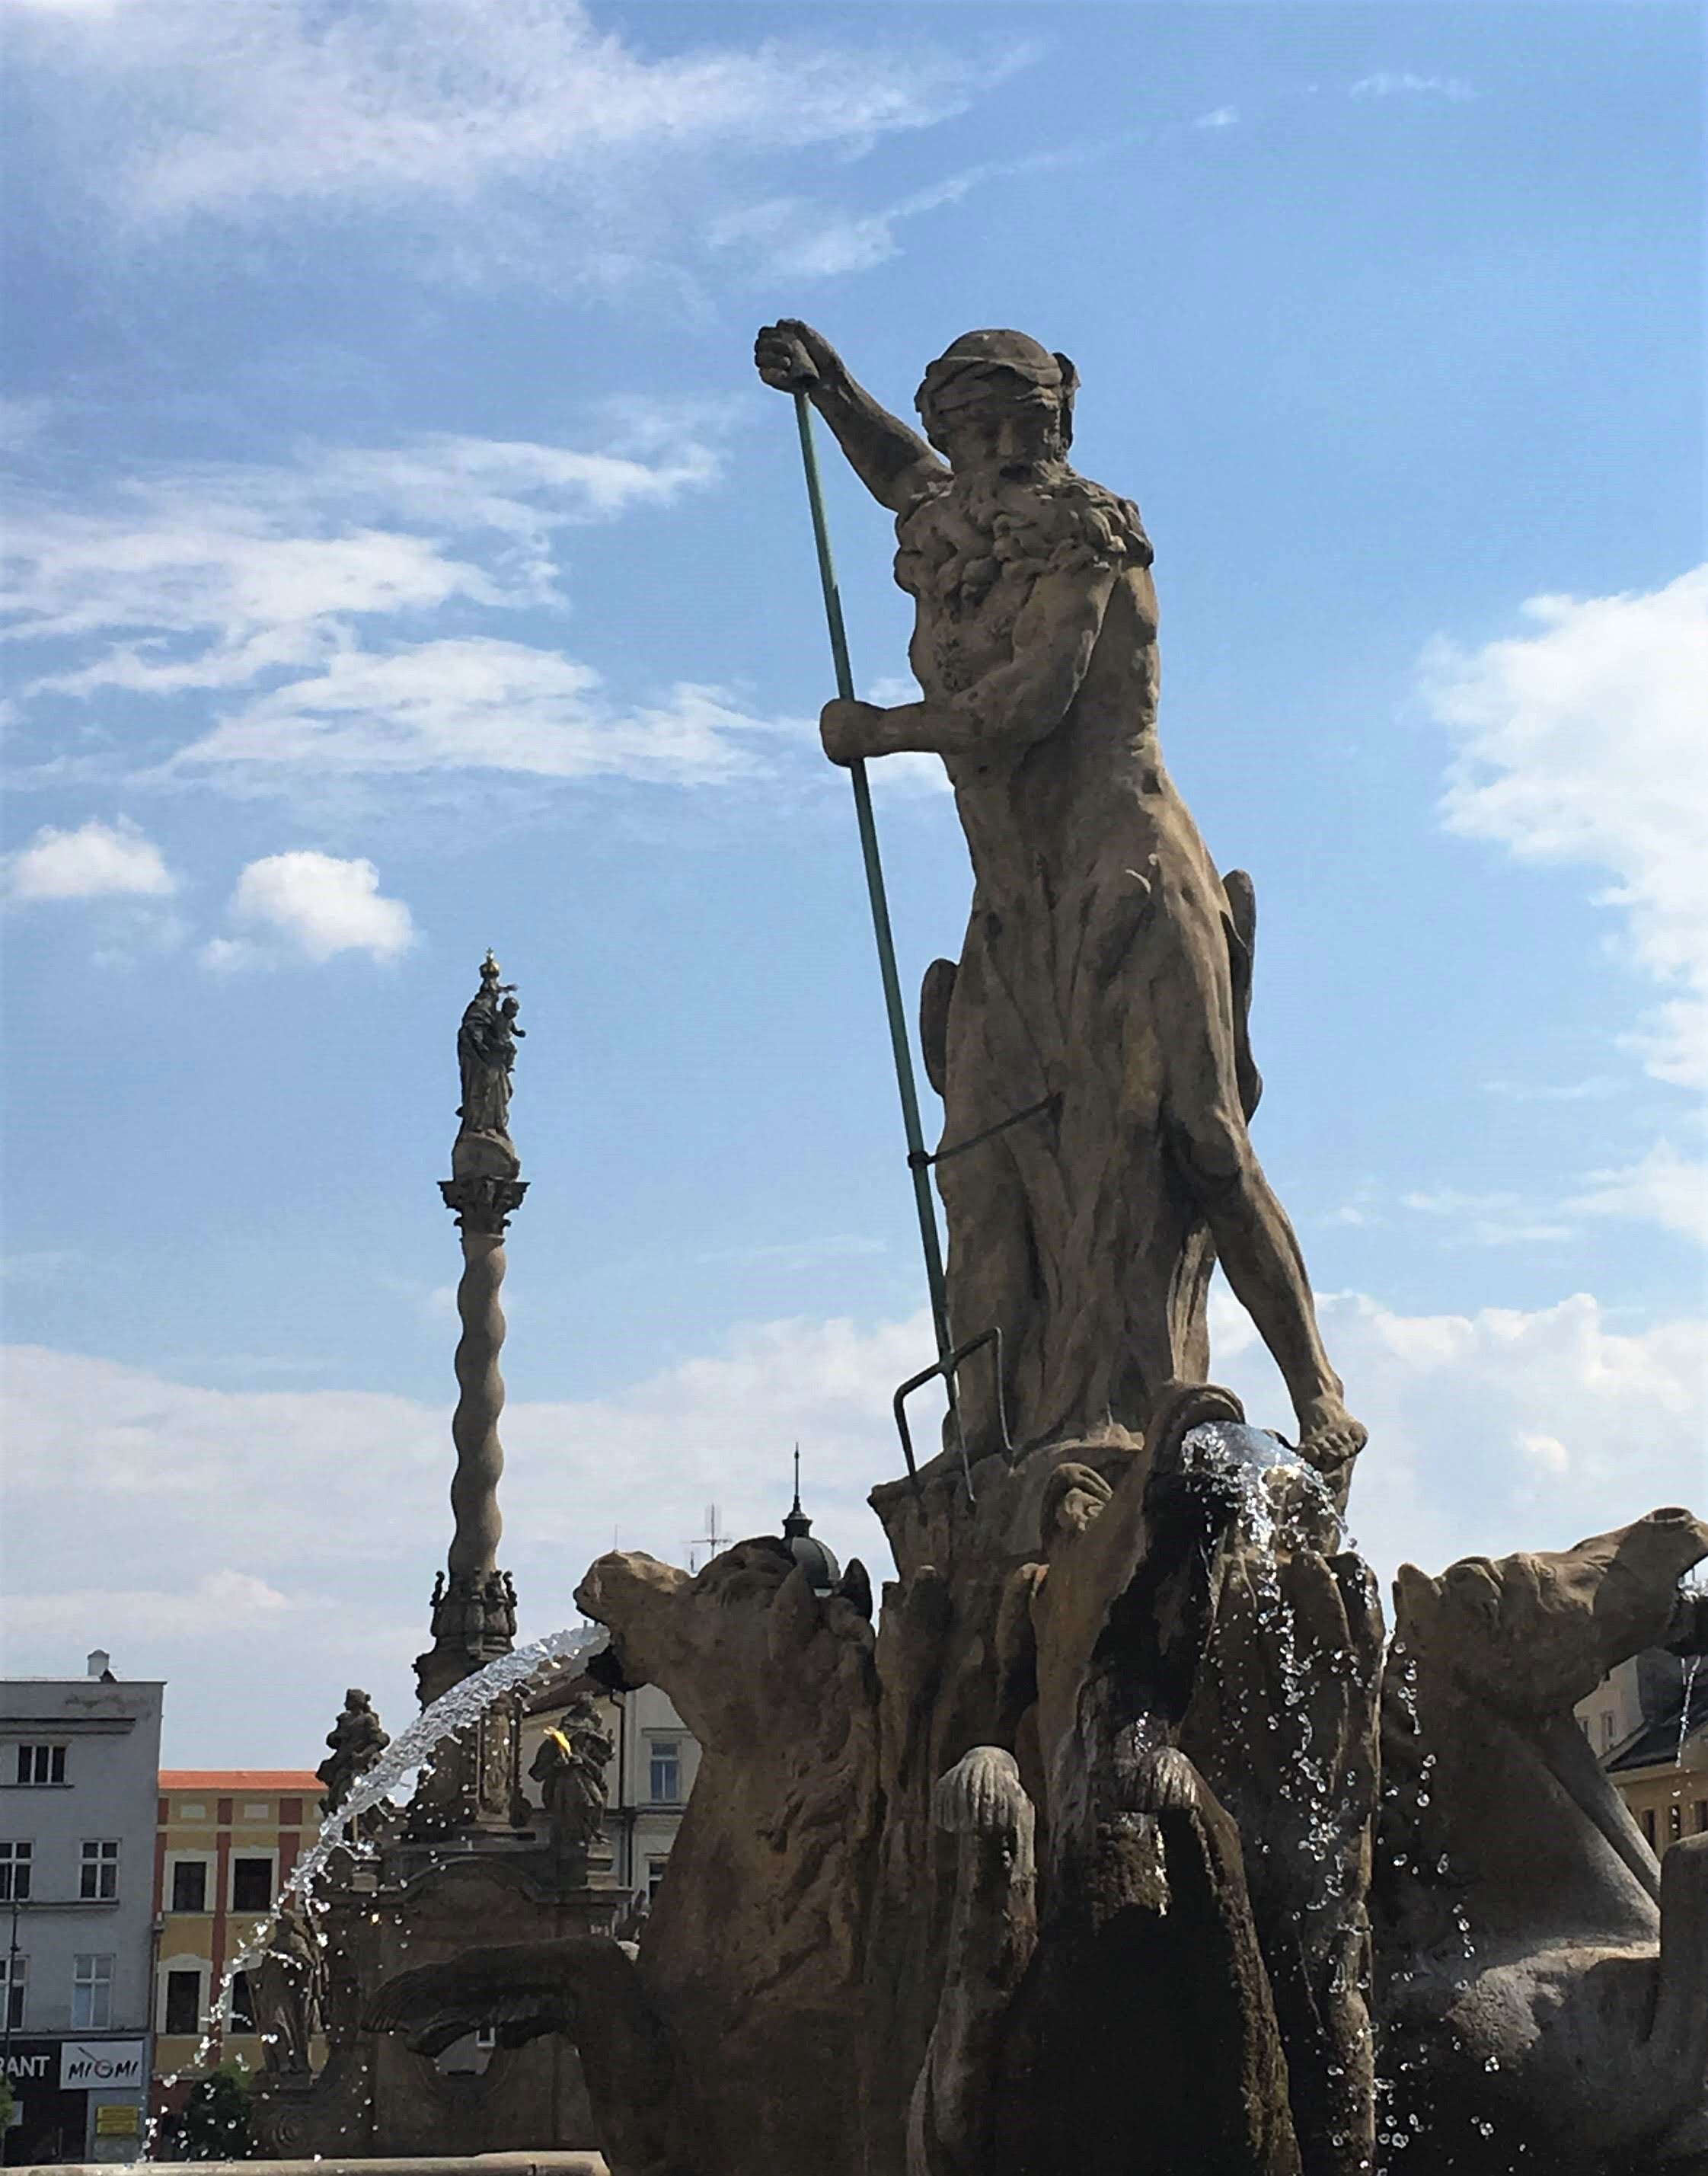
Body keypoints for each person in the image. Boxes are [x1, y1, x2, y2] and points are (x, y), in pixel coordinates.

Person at [755, 321, 1364, 1487]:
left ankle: (1316, 1388)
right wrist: (830, 387)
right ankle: (978, 1435)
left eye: (1004, 427)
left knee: (1199, 1139)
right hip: (1014, 904)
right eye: (962, 430)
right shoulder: (963, 527)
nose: (980, 453)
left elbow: (1029, 703)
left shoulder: (1086, 535)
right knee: (975, 1167)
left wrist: (881, 731)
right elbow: (900, 480)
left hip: (1129, 878)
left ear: (1050, 426)